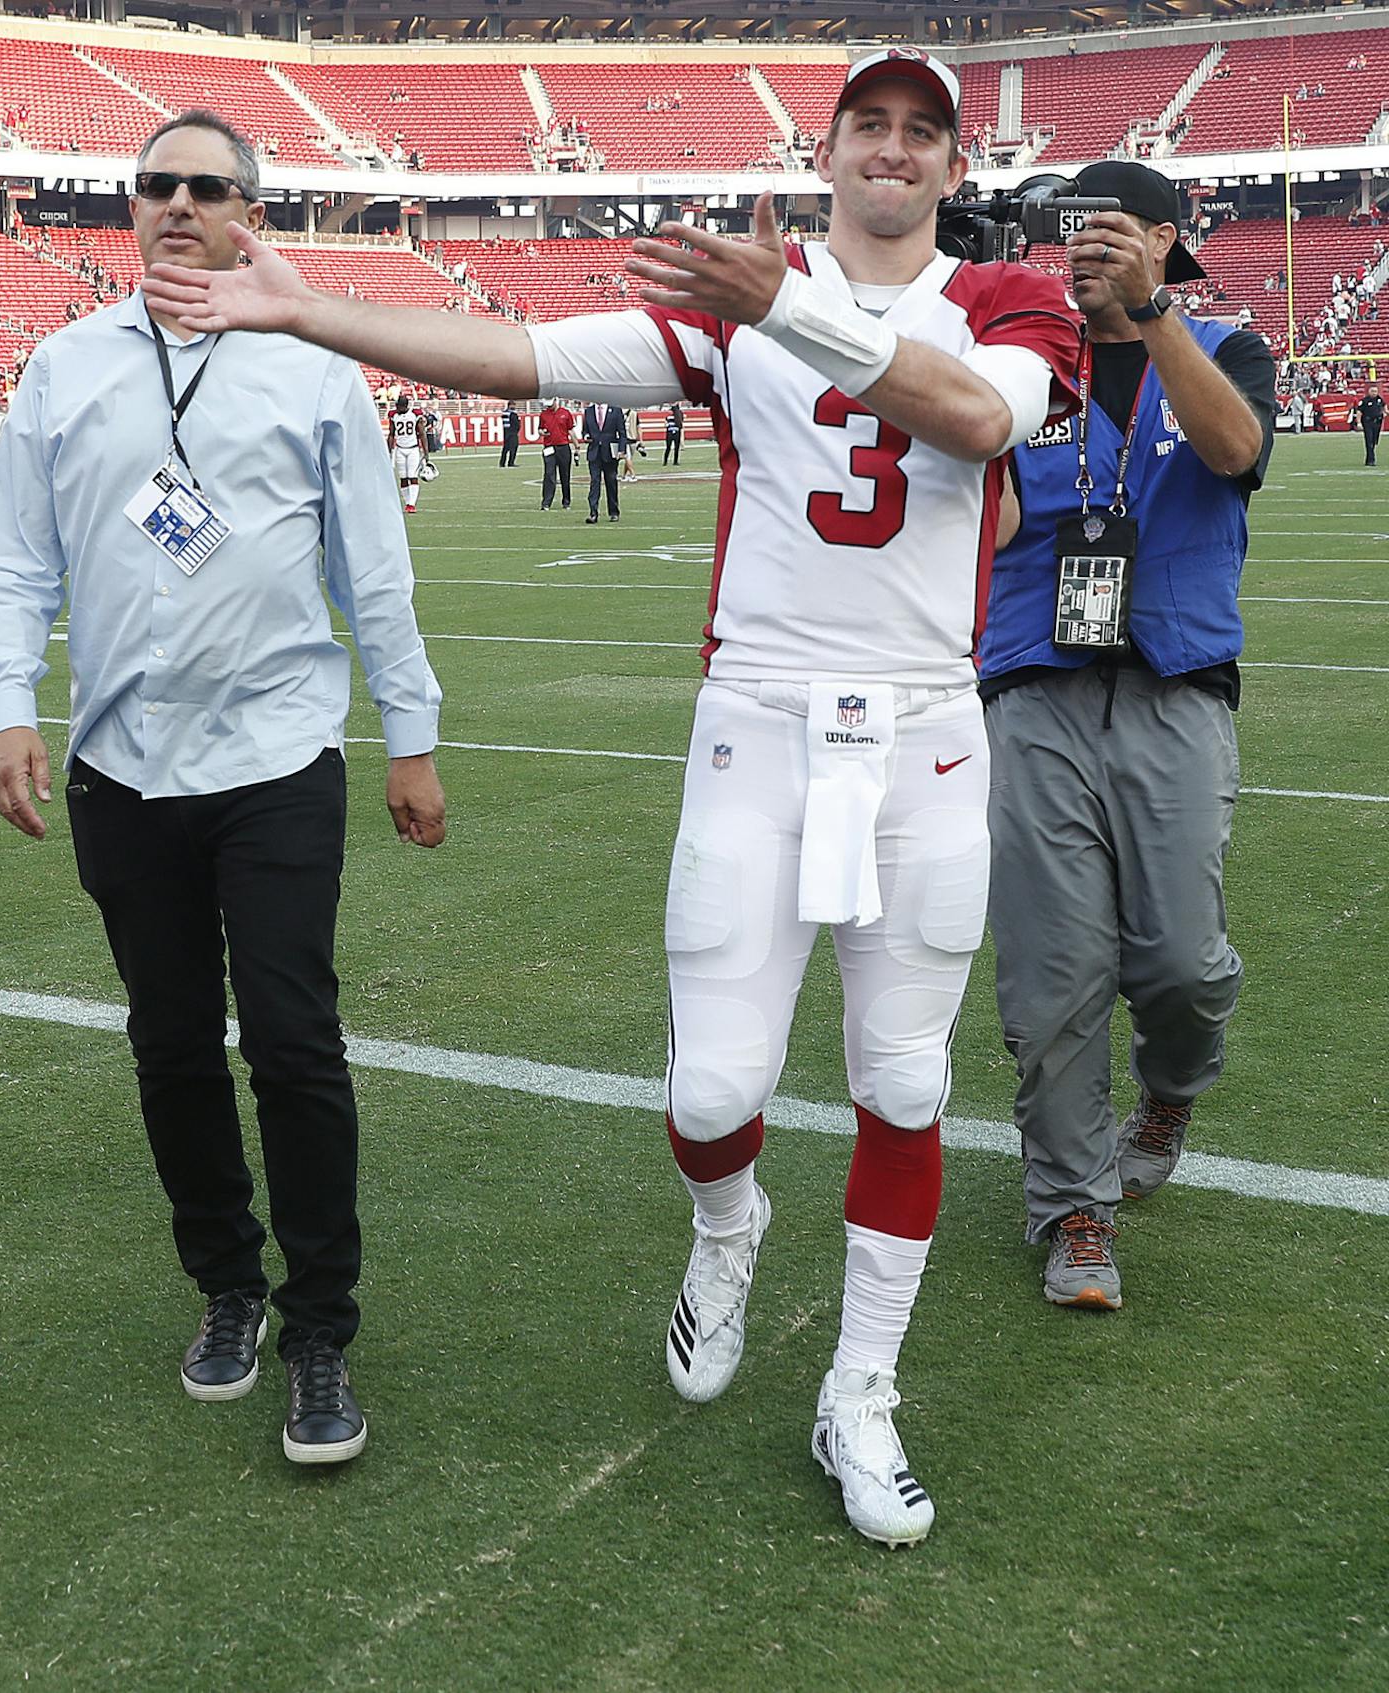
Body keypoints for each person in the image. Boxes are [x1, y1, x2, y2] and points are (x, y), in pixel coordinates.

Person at [143, 47, 1080, 1548]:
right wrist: (311, 309)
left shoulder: (1003, 298)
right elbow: (527, 360)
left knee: (902, 1081)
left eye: (924, 134)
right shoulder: (733, 321)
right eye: (871, 127)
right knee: (712, 1093)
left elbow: (976, 419)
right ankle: (728, 1228)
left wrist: (778, 299)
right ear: (825, 154)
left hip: (923, 733)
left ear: (953, 170)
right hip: (756, 722)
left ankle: (862, 1388)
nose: (896, 151)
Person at [0, 109, 446, 1470]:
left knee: (293, 1040)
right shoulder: (63, 371)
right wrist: (6, 710)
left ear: (251, 213)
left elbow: (373, 572)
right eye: (157, 185)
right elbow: (13, 566)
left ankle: (322, 1328)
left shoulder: (315, 366)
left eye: (207, 187)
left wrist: (409, 733)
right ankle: (226, 1285)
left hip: (279, 755)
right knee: (171, 1044)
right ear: (132, 207)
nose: (179, 203)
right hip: (121, 766)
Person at [982, 161, 1273, 1312]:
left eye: (1112, 233)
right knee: (1051, 977)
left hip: (1176, 685)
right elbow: (984, 516)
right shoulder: (1019, 369)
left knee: (1184, 965)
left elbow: (1235, 452)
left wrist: (1153, 313)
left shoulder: (1224, 346)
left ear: (1164, 238)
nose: (1087, 252)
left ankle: (1173, 1084)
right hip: (1034, 688)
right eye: (1075, 234)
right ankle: (1073, 1211)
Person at [581, 399, 628, 522]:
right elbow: (585, 430)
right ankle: (593, 513)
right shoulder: (589, 412)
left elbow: (622, 433)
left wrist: (621, 450)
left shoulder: (616, 410)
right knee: (594, 482)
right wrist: (586, 436)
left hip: (610, 453)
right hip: (594, 453)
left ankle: (614, 512)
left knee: (611, 482)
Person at [388, 390, 426, 513]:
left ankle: (412, 504)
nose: (396, 408)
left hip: (413, 449)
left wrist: (426, 452)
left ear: (404, 406)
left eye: (398, 406)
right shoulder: (393, 415)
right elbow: (391, 434)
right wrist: (389, 451)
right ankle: (407, 502)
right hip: (400, 449)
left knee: (412, 476)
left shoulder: (415, 414)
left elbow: (422, 433)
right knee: (403, 477)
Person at [538, 395, 575, 509]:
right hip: (549, 447)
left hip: (563, 447)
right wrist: (542, 432)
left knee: (565, 475)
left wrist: (576, 444)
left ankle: (566, 501)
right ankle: (546, 503)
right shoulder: (544, 414)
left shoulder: (566, 413)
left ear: (556, 401)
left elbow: (570, 430)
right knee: (549, 475)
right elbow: (540, 429)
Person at [1360, 381, 1383, 466]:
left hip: (1377, 423)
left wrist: (1385, 412)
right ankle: (1371, 460)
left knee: (1374, 441)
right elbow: (1359, 412)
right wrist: (1359, 422)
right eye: (1372, 391)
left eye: (1375, 391)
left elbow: (1384, 406)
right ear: (1369, 391)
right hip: (1368, 422)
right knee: (1369, 441)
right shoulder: (1365, 401)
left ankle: (1368, 459)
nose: (1374, 393)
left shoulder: (1379, 399)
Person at [499, 398, 519, 467]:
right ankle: (511, 462)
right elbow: (516, 424)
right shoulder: (513, 413)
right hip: (512, 433)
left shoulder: (504, 413)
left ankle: (502, 463)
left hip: (506, 432)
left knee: (505, 448)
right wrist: (516, 430)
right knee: (513, 448)